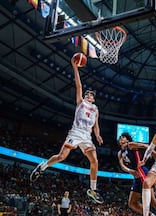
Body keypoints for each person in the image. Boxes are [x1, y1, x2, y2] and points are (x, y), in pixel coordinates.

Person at [30, 56, 104, 204]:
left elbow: (96, 125)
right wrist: (75, 68)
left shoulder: (95, 109)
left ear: (94, 99)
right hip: (75, 133)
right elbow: (78, 85)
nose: (88, 95)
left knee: (94, 161)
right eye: (87, 94)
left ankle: (93, 190)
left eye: (91, 95)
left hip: (87, 137)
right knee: (61, 157)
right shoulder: (80, 102)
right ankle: (42, 166)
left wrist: (98, 135)